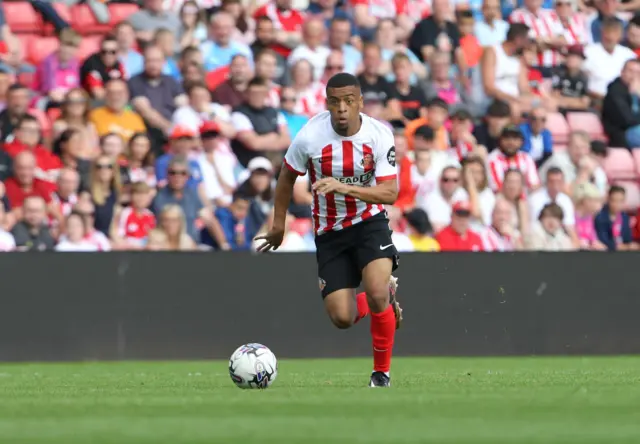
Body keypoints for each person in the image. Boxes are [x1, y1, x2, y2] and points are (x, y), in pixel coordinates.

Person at [255, 73, 402, 388]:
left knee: (375, 291)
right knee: (342, 318)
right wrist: (278, 224)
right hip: (330, 231)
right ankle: (384, 299)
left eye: (349, 101)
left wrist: (345, 189)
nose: (342, 108)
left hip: (369, 223)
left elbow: (390, 193)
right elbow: (285, 178)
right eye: (335, 102)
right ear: (327, 103)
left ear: (360, 102)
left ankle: (381, 374)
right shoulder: (310, 136)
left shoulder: (379, 134)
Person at [601, 58, 640, 149]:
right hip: (622, 134)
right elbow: (627, 119)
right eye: (630, 71)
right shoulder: (615, 90)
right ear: (622, 72)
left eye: (638, 73)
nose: (634, 76)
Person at [594, 185, 636, 251]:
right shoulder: (600, 217)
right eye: (614, 200)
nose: (617, 204)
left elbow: (628, 239)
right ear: (608, 199)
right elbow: (603, 242)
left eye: (621, 201)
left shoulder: (625, 217)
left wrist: (629, 246)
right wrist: (624, 247)